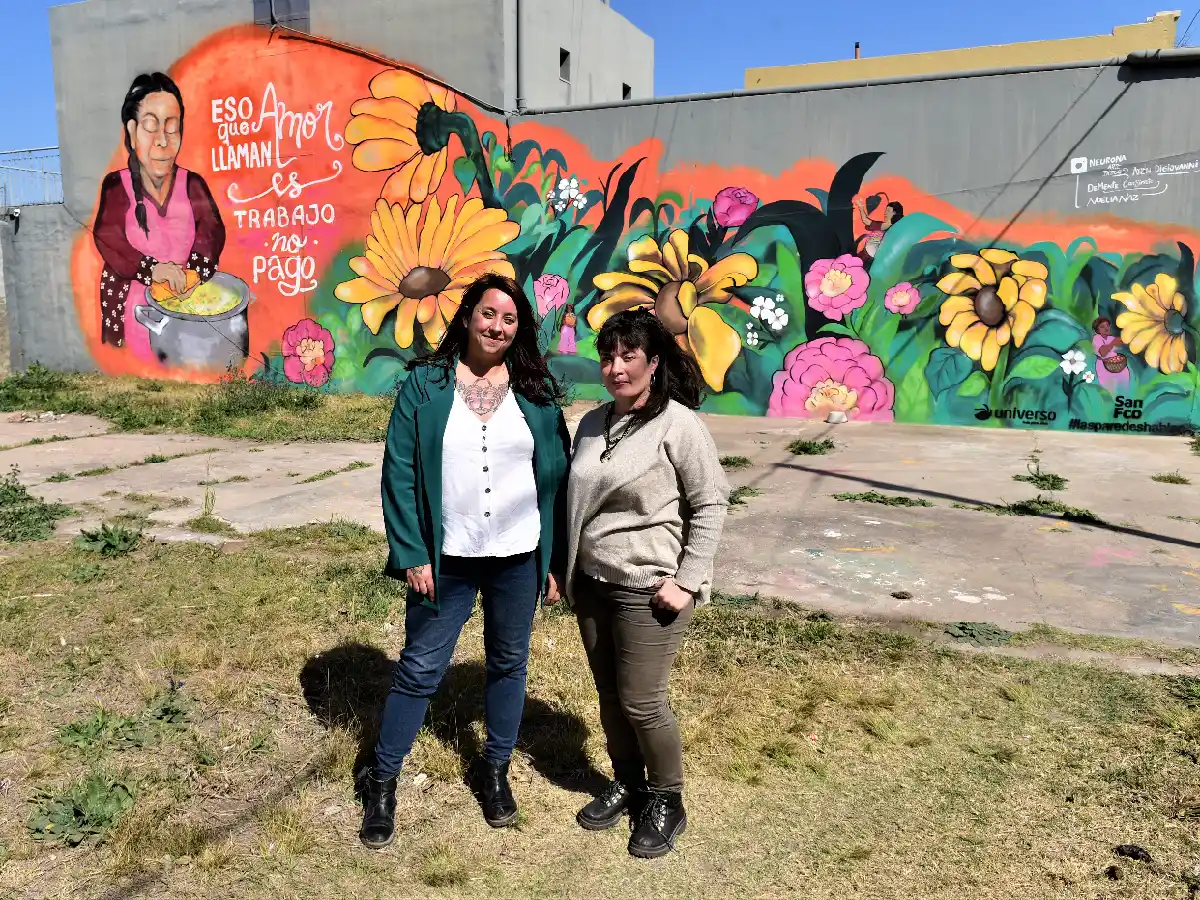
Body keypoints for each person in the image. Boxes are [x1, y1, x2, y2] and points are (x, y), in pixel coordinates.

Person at [358, 273, 572, 849]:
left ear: (518, 327)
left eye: (509, 318)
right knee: (421, 667)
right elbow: (399, 472)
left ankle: (495, 770)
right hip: (445, 556)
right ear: (467, 316)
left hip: (517, 555)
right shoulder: (425, 385)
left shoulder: (536, 389)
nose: (496, 326)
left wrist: (555, 559)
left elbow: (557, 477)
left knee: (508, 663)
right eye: (487, 313)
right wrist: (410, 550)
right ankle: (382, 779)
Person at [559, 308, 729, 859]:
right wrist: (564, 570)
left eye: (629, 356)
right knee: (610, 697)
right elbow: (577, 501)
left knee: (643, 702)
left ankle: (667, 798)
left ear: (653, 363)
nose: (615, 368)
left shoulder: (678, 424)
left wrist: (688, 579)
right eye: (608, 357)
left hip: (649, 587)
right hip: (592, 582)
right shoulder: (590, 422)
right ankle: (629, 782)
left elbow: (710, 502)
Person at [93, 72, 225, 361]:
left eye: (172, 128)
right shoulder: (117, 186)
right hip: (131, 323)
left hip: (184, 319)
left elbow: (212, 234)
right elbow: (109, 237)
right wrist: (152, 269)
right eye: (151, 127)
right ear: (131, 131)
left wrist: (192, 273)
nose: (162, 141)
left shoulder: (193, 185)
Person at [854, 194, 904, 262]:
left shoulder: (894, 229)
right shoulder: (881, 224)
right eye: (885, 210)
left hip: (872, 260)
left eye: (888, 211)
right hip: (865, 255)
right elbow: (866, 221)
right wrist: (861, 208)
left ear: (894, 213)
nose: (885, 213)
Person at [1092, 317, 1130, 394]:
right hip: (1104, 366)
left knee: (1125, 379)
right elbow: (1103, 353)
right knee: (1109, 391)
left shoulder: (1110, 338)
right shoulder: (1097, 338)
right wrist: (1113, 343)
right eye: (1102, 327)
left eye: (1107, 325)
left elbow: (1123, 340)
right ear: (1097, 330)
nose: (1106, 328)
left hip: (1117, 365)